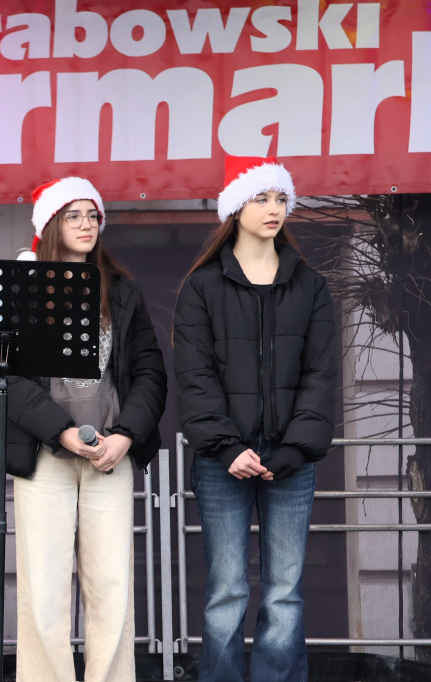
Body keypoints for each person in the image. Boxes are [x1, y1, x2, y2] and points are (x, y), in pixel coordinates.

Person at [174, 156, 337, 682]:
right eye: (261, 198)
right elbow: (194, 377)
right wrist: (225, 447)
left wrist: (295, 448)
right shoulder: (202, 287)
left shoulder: (310, 286)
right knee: (226, 591)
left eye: (281, 199)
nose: (274, 209)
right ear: (234, 208)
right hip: (223, 462)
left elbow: (320, 374)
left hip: (291, 462)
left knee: (285, 591)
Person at [4, 177, 167, 682]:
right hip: (46, 457)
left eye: (92, 215)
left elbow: (149, 373)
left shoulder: (120, 291)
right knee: (44, 591)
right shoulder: (23, 289)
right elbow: (10, 382)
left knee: (112, 586)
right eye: (73, 215)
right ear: (51, 224)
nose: (85, 224)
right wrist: (63, 433)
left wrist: (126, 436)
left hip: (109, 457)